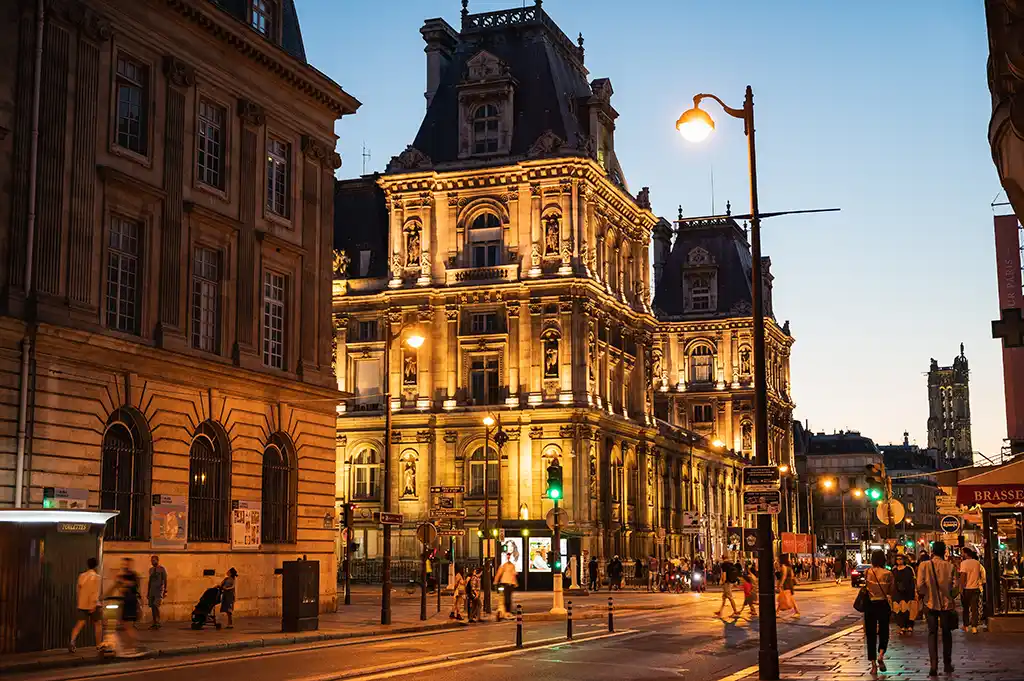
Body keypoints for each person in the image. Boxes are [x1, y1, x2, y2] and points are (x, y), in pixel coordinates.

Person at [917, 540, 956, 677]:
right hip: (946, 605)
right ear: (944, 551)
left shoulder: (924, 565)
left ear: (932, 551)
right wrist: (950, 596)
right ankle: (947, 664)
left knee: (932, 633)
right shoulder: (950, 566)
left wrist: (925, 594)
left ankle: (933, 665)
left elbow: (920, 585)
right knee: (947, 633)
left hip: (930, 603)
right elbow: (955, 587)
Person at [863, 549, 894, 675]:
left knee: (870, 634)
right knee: (884, 631)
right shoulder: (888, 573)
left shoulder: (867, 572)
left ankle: (873, 665)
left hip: (870, 604)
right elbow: (891, 591)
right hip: (882, 604)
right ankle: (881, 654)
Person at [69, 557, 102, 653]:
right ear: (96, 565)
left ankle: (72, 641)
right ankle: (98, 645)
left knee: (79, 624)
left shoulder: (81, 576)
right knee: (98, 624)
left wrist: (79, 602)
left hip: (82, 604)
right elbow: (95, 592)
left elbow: (78, 590)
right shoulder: (97, 577)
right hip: (93, 605)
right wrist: (93, 605)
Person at [114, 558, 141, 653]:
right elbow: (118, 588)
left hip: (131, 602)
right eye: (123, 564)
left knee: (128, 626)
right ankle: (129, 645)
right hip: (125, 602)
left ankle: (133, 645)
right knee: (125, 625)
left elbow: (133, 585)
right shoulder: (123, 575)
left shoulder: (132, 575)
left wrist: (123, 583)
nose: (124, 566)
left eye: (126, 564)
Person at [959, 546, 983, 634]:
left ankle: (966, 626)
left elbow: (963, 576)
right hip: (975, 588)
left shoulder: (964, 563)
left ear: (965, 553)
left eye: (962, 553)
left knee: (965, 608)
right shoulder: (977, 563)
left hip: (967, 588)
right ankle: (974, 627)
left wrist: (960, 588)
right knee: (974, 608)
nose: (961, 554)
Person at [892, 553, 917, 635]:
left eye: (900, 559)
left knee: (909, 610)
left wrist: (914, 591)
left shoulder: (909, 569)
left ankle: (909, 626)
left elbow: (913, 581)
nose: (899, 560)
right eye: (897, 559)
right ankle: (902, 627)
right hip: (897, 593)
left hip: (908, 593)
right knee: (898, 611)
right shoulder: (894, 570)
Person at [147, 555, 168, 629]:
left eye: (154, 560)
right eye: (151, 560)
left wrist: (165, 590)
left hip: (159, 590)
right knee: (152, 606)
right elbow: (149, 581)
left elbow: (165, 580)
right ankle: (154, 622)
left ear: (157, 560)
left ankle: (158, 622)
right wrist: (148, 592)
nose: (152, 562)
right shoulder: (151, 570)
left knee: (156, 605)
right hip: (152, 590)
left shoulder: (162, 569)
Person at [777, 554, 800, 618]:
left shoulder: (784, 566)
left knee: (785, 597)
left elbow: (784, 576)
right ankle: (777, 612)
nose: (778, 560)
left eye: (779, 559)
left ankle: (797, 612)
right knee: (785, 597)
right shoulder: (789, 567)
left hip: (786, 583)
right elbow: (792, 575)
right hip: (790, 583)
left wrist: (780, 584)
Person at [495, 554, 517, 619]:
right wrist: (495, 581)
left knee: (508, 598)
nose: (508, 558)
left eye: (509, 557)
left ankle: (508, 611)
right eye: (508, 557)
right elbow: (499, 573)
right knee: (505, 598)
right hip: (505, 583)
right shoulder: (503, 565)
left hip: (510, 584)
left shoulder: (512, 565)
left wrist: (515, 583)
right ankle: (506, 611)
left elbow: (513, 574)